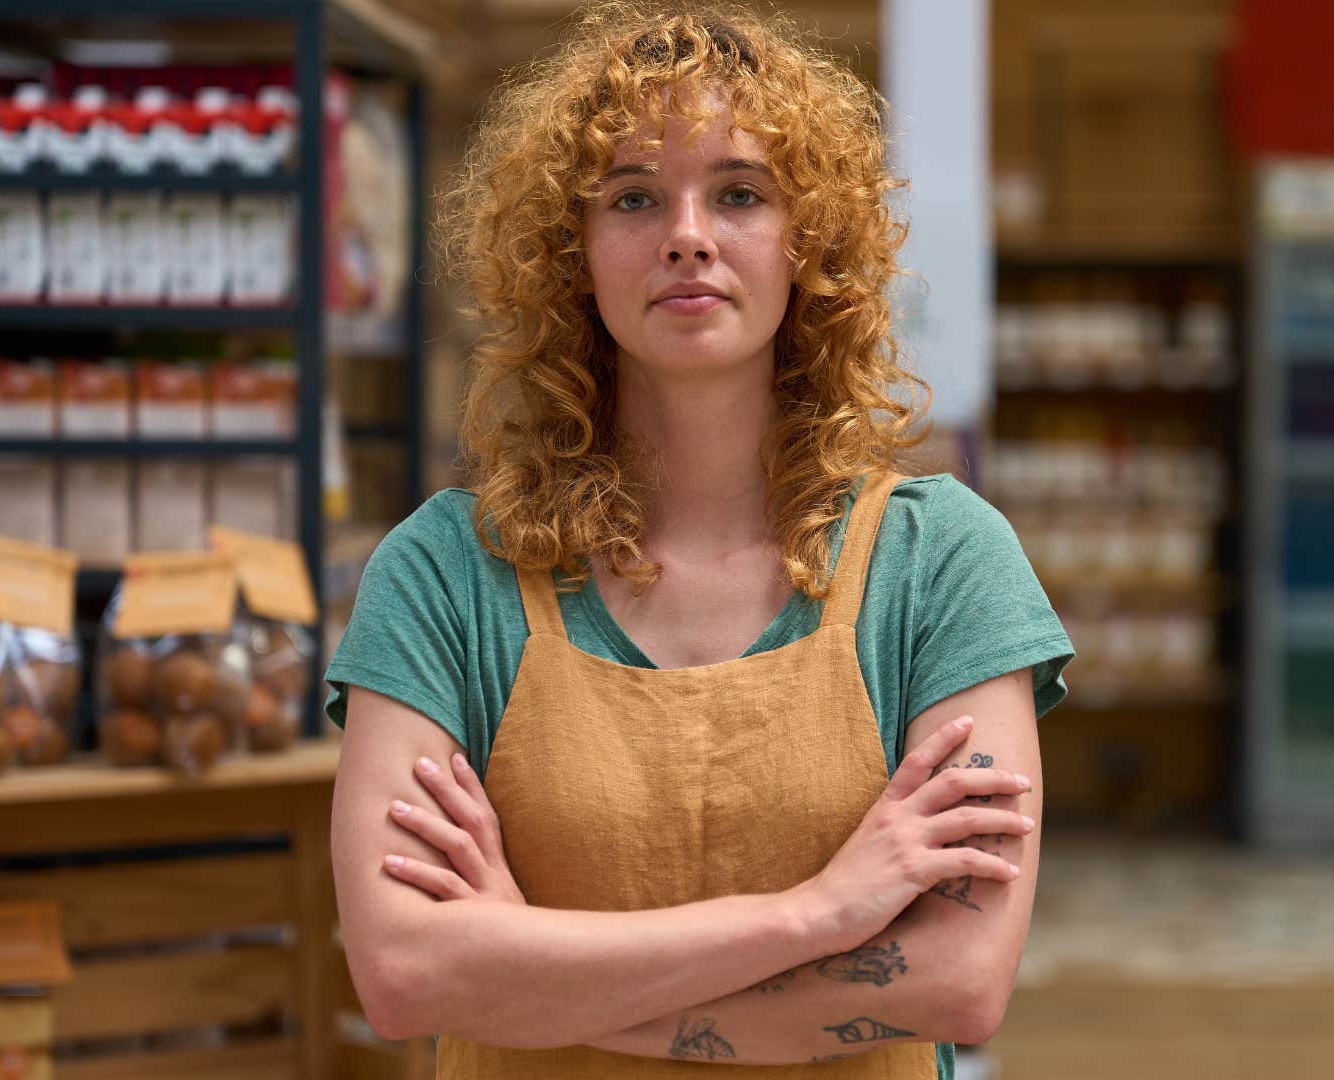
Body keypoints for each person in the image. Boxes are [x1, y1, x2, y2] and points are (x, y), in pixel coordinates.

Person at [323, 4, 1074, 1078]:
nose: (688, 232)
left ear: (809, 242)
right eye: (633, 196)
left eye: (739, 193)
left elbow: (959, 980)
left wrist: (534, 981)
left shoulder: (941, 564)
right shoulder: (447, 573)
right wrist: (817, 914)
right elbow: (404, 974)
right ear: (570, 252)